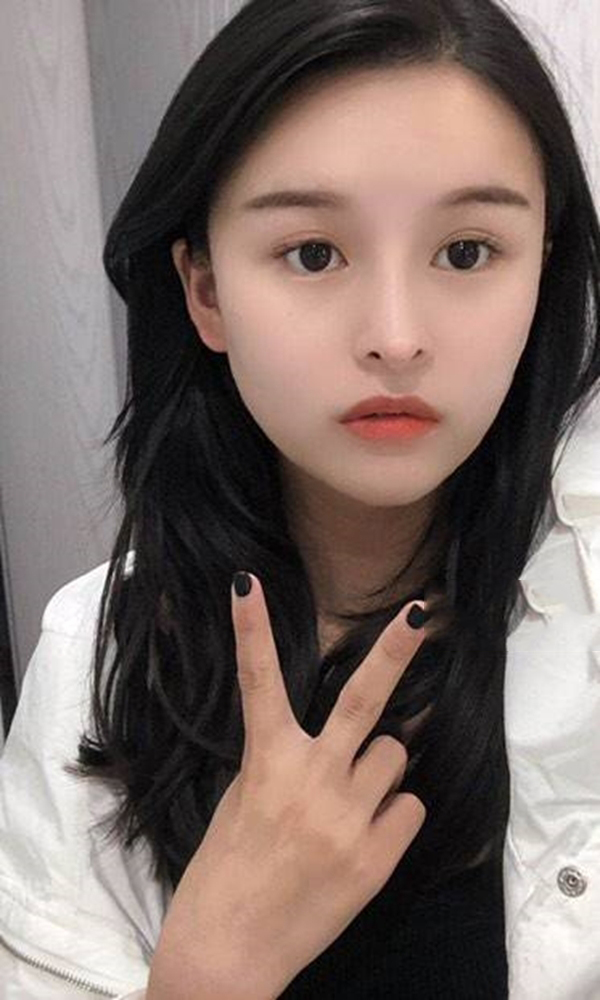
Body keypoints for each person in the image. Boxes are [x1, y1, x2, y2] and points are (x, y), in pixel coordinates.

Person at [1, 0, 599, 996]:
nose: (396, 337)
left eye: (466, 252)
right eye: (313, 253)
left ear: (543, 272)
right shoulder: (94, 651)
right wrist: (212, 968)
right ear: (205, 290)